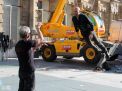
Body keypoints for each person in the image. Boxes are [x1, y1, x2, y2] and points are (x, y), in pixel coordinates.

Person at [72, 6, 110, 71]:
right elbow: (76, 28)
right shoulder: (74, 18)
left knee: (98, 42)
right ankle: (100, 53)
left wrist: (92, 33)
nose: (76, 12)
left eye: (77, 11)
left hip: (90, 32)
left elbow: (91, 24)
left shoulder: (83, 16)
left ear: (79, 11)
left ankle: (106, 53)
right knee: (90, 45)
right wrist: (78, 36)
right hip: (85, 34)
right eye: (75, 11)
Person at [15, 23, 45, 91]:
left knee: (21, 89)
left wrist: (37, 46)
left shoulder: (18, 44)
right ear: (28, 34)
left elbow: (30, 51)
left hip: (21, 71)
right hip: (29, 71)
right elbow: (41, 39)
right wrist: (38, 28)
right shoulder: (29, 43)